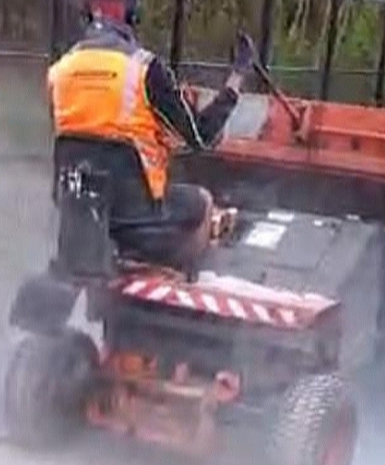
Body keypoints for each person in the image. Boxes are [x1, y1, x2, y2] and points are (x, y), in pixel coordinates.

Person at [48, 0, 253, 269]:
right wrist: (237, 77)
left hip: (78, 220)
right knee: (201, 202)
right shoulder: (145, 69)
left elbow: (83, 138)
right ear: (130, 14)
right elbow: (202, 137)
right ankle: (177, 281)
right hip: (135, 224)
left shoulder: (59, 72)